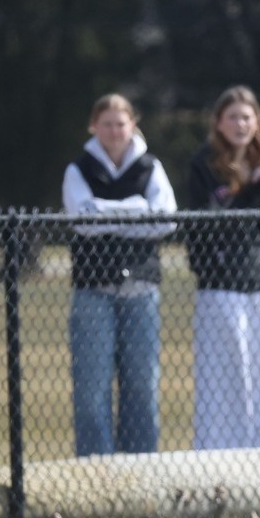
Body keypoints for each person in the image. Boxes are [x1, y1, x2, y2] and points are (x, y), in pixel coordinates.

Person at [62, 93, 176, 457]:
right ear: (94, 127)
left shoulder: (150, 167)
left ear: (133, 125)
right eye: (107, 124)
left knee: (142, 385)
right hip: (93, 289)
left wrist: (105, 212)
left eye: (121, 124)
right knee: (92, 389)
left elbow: (165, 220)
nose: (114, 131)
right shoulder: (78, 170)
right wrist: (137, 210)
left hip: (141, 289)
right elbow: (83, 223)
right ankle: (96, 469)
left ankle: (140, 466)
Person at [184, 86, 260, 451]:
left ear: (256, 121)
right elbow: (202, 223)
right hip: (221, 284)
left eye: (246, 117)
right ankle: (218, 453)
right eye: (232, 117)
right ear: (219, 123)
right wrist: (236, 192)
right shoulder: (203, 164)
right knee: (224, 374)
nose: (240, 124)